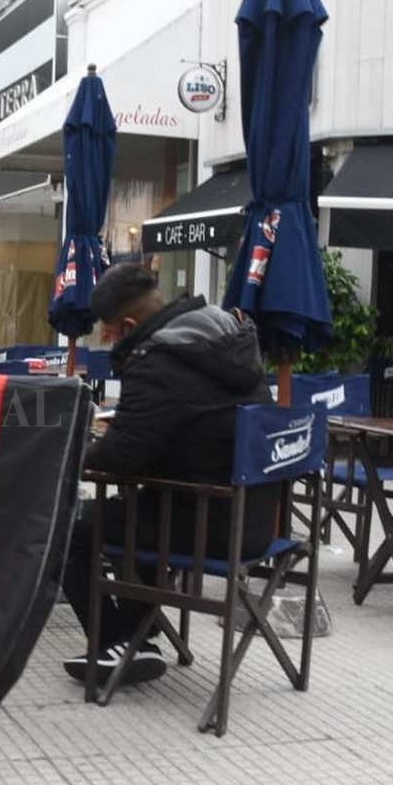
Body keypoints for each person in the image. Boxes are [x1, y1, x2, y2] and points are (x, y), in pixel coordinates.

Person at [59, 263, 276, 686]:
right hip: (257, 517)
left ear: (127, 324)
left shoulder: (158, 361)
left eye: (107, 331)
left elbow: (119, 457)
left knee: (66, 529)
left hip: (206, 524)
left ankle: (115, 640)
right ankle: (141, 632)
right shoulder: (224, 335)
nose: (105, 340)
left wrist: (69, 452)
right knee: (133, 510)